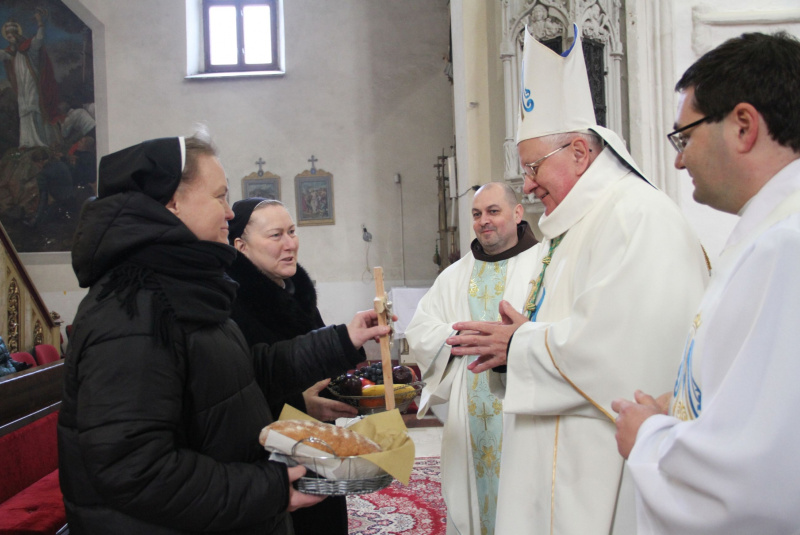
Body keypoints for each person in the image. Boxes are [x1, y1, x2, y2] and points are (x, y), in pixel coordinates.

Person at [444, 25, 709, 534]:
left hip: (599, 467)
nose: (528, 184)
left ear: (581, 153)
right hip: (557, 462)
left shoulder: (636, 216)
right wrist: (521, 338)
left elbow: (627, 349)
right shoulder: (574, 225)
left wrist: (520, 344)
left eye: (534, 166)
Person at [58, 132, 390, 534]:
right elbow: (134, 467)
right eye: (219, 196)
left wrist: (343, 338)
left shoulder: (180, 288)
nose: (229, 212)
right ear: (172, 202)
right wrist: (267, 490)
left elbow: (246, 373)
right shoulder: (133, 308)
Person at [612, 31, 800, 534]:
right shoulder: (770, 235)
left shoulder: (786, 248)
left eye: (685, 136)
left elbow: (759, 480)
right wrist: (677, 420)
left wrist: (649, 436)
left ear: (743, 126)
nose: (679, 159)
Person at [405, 181, 539, 534]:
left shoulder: (544, 265)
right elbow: (420, 329)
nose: (484, 221)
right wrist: (456, 336)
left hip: (525, 404)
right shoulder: (455, 276)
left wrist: (517, 340)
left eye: (493, 211)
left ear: (518, 213)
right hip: (470, 408)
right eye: (477, 214)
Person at [226, 197, 359, 535]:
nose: (290, 245)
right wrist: (301, 405)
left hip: (318, 448)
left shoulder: (296, 293)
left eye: (292, 232)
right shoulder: (232, 306)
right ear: (240, 245)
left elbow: (315, 366)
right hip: (271, 465)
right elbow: (240, 390)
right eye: (275, 236)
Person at [0, 10, 59, 148]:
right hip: (21, 87)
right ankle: (26, 142)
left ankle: (39, 141)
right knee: (24, 108)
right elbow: (2, 54)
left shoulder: (29, 47)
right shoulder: (11, 53)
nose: (10, 39)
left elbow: (39, 38)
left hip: (32, 82)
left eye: (11, 36)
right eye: (7, 37)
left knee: (33, 107)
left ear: (17, 35)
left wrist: (40, 23)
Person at [25, 146, 74, 227]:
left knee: (43, 224)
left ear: (40, 162)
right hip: (72, 197)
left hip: (60, 202)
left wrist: (36, 218)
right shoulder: (60, 163)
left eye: (36, 164)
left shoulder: (42, 174)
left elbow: (43, 198)